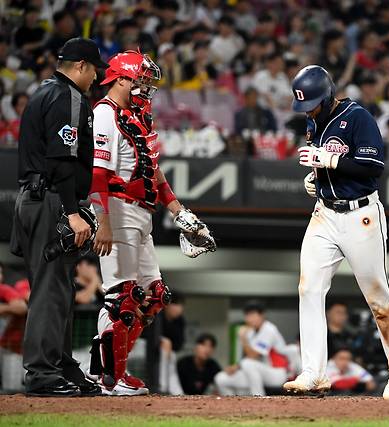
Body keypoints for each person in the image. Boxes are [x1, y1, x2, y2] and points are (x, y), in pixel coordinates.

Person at [285, 65, 389, 400]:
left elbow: (373, 167)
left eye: (312, 103)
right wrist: (317, 177)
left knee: (378, 298)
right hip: (325, 214)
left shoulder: (359, 117)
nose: (308, 110)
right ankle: (314, 372)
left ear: (327, 95)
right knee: (309, 288)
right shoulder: (314, 119)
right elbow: (326, 163)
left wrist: (328, 163)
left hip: (361, 216)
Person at [87, 50, 212, 396]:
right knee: (123, 297)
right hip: (118, 208)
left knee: (154, 296)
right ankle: (110, 379)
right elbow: (98, 174)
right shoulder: (105, 113)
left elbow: (151, 170)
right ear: (122, 79)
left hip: (143, 212)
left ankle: (115, 373)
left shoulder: (137, 116)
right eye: (140, 81)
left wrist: (178, 210)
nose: (145, 88)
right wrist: (103, 222)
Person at [10, 37, 108, 397]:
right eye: (94, 68)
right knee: (51, 291)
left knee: (59, 290)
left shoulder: (44, 91)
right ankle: (42, 373)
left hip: (36, 198)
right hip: (50, 199)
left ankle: (60, 365)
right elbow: (62, 160)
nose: (96, 76)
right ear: (80, 66)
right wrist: (72, 211)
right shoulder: (67, 96)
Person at [214, 301, 289, 396]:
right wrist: (236, 367)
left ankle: (258, 398)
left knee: (248, 364)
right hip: (257, 373)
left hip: (276, 373)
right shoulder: (251, 332)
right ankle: (234, 406)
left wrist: (243, 338)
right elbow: (251, 358)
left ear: (262, 315)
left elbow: (253, 355)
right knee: (221, 378)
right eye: (247, 315)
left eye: (253, 315)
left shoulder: (269, 329)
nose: (249, 319)